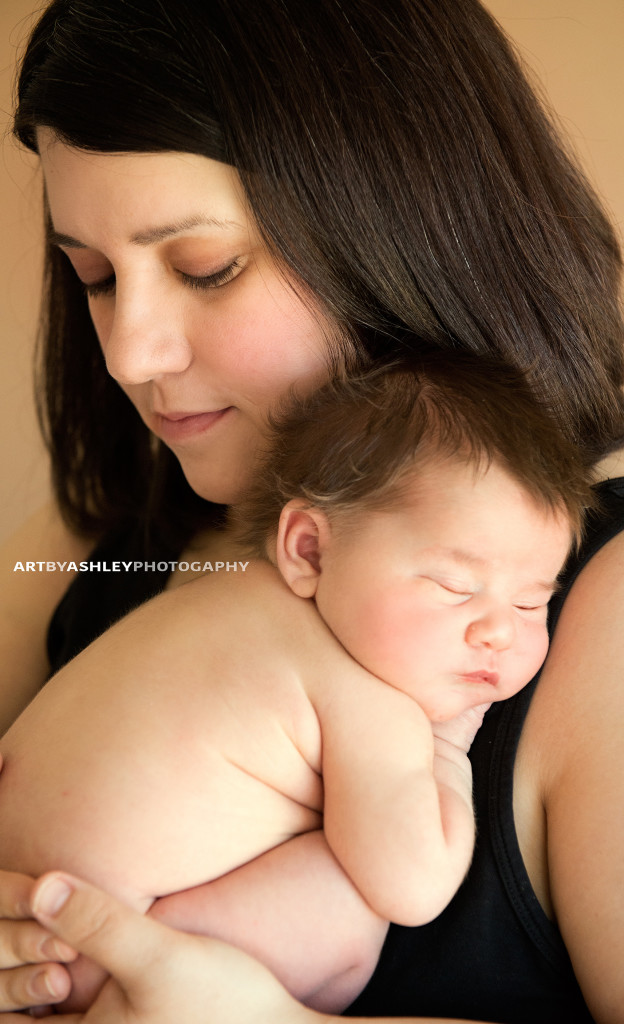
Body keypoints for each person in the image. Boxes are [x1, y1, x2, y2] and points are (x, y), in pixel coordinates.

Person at [1, 1, 624, 1022]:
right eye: (93, 276)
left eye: (204, 268)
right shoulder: (94, 547)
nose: (129, 353)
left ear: (398, 226)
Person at [0, 355, 585, 1013]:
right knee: (351, 900)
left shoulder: (206, 602)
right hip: (116, 962)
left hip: (21, 933)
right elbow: (412, 889)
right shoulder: (368, 702)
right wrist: (444, 753)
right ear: (308, 549)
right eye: (453, 587)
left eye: (533, 602)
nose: (497, 633)